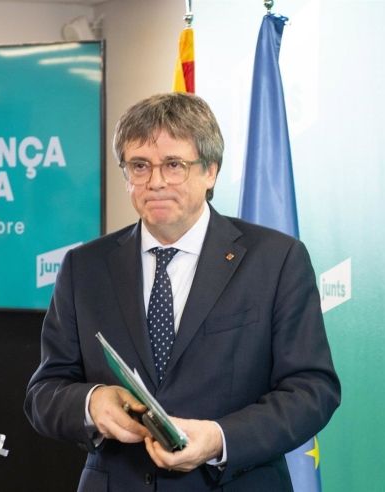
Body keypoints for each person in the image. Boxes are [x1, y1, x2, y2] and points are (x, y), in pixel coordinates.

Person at [24, 92, 340, 491]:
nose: (155, 182)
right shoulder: (83, 267)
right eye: (139, 166)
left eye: (173, 165)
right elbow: (44, 393)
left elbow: (312, 390)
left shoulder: (276, 259)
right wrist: (92, 402)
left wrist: (219, 438)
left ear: (211, 171)